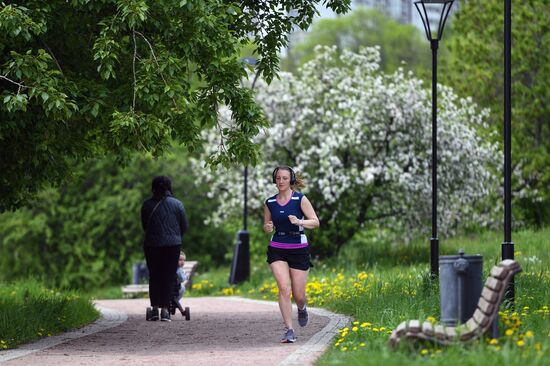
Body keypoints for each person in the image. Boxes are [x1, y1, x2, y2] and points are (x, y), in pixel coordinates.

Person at [263, 166, 320, 343]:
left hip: (298, 247)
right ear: (275, 180)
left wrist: (300, 221)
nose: (281, 181)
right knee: (283, 287)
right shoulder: (269, 202)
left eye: (285, 178)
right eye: (278, 178)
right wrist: (268, 227)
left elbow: (315, 222)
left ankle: (302, 308)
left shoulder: (300, 199)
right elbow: (267, 225)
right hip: (277, 246)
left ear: (291, 180)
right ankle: (289, 329)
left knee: (299, 294)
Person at [141, 176, 188, 322]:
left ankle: (154, 309)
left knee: (154, 276)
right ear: (169, 187)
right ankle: (166, 311)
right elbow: (184, 226)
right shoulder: (178, 204)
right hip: (172, 245)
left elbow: (145, 226)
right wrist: (174, 236)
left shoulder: (147, 205)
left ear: (153, 188)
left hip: (152, 245)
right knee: (168, 277)